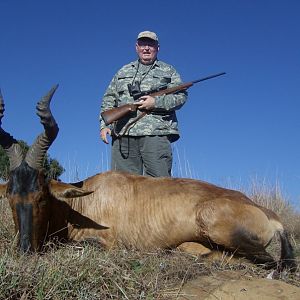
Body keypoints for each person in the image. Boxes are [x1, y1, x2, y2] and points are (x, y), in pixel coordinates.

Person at [99, 30, 187, 177]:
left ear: (157, 48)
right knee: (122, 186)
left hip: (156, 134)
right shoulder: (123, 71)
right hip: (123, 134)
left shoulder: (168, 70)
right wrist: (104, 126)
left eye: (150, 44)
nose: (146, 48)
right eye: (143, 44)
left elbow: (181, 96)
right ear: (136, 47)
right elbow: (109, 99)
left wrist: (156, 102)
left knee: (159, 186)